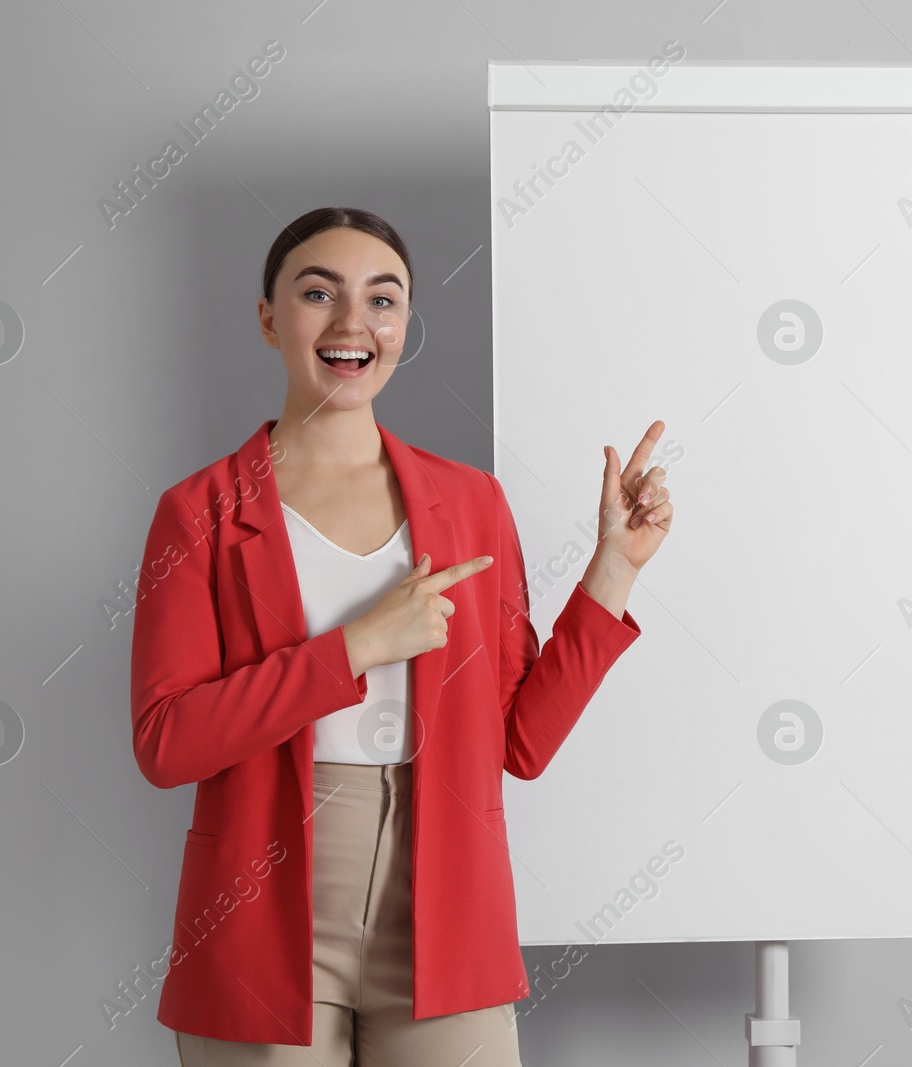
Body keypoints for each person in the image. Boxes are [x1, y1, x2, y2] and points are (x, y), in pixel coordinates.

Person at [128, 206, 672, 1065]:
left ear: (405, 326)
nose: (353, 324)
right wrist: (353, 647)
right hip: (263, 905)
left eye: (383, 300)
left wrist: (616, 567)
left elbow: (521, 741)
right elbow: (165, 742)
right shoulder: (198, 513)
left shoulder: (470, 504)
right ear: (269, 318)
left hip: (447, 898)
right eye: (319, 294)